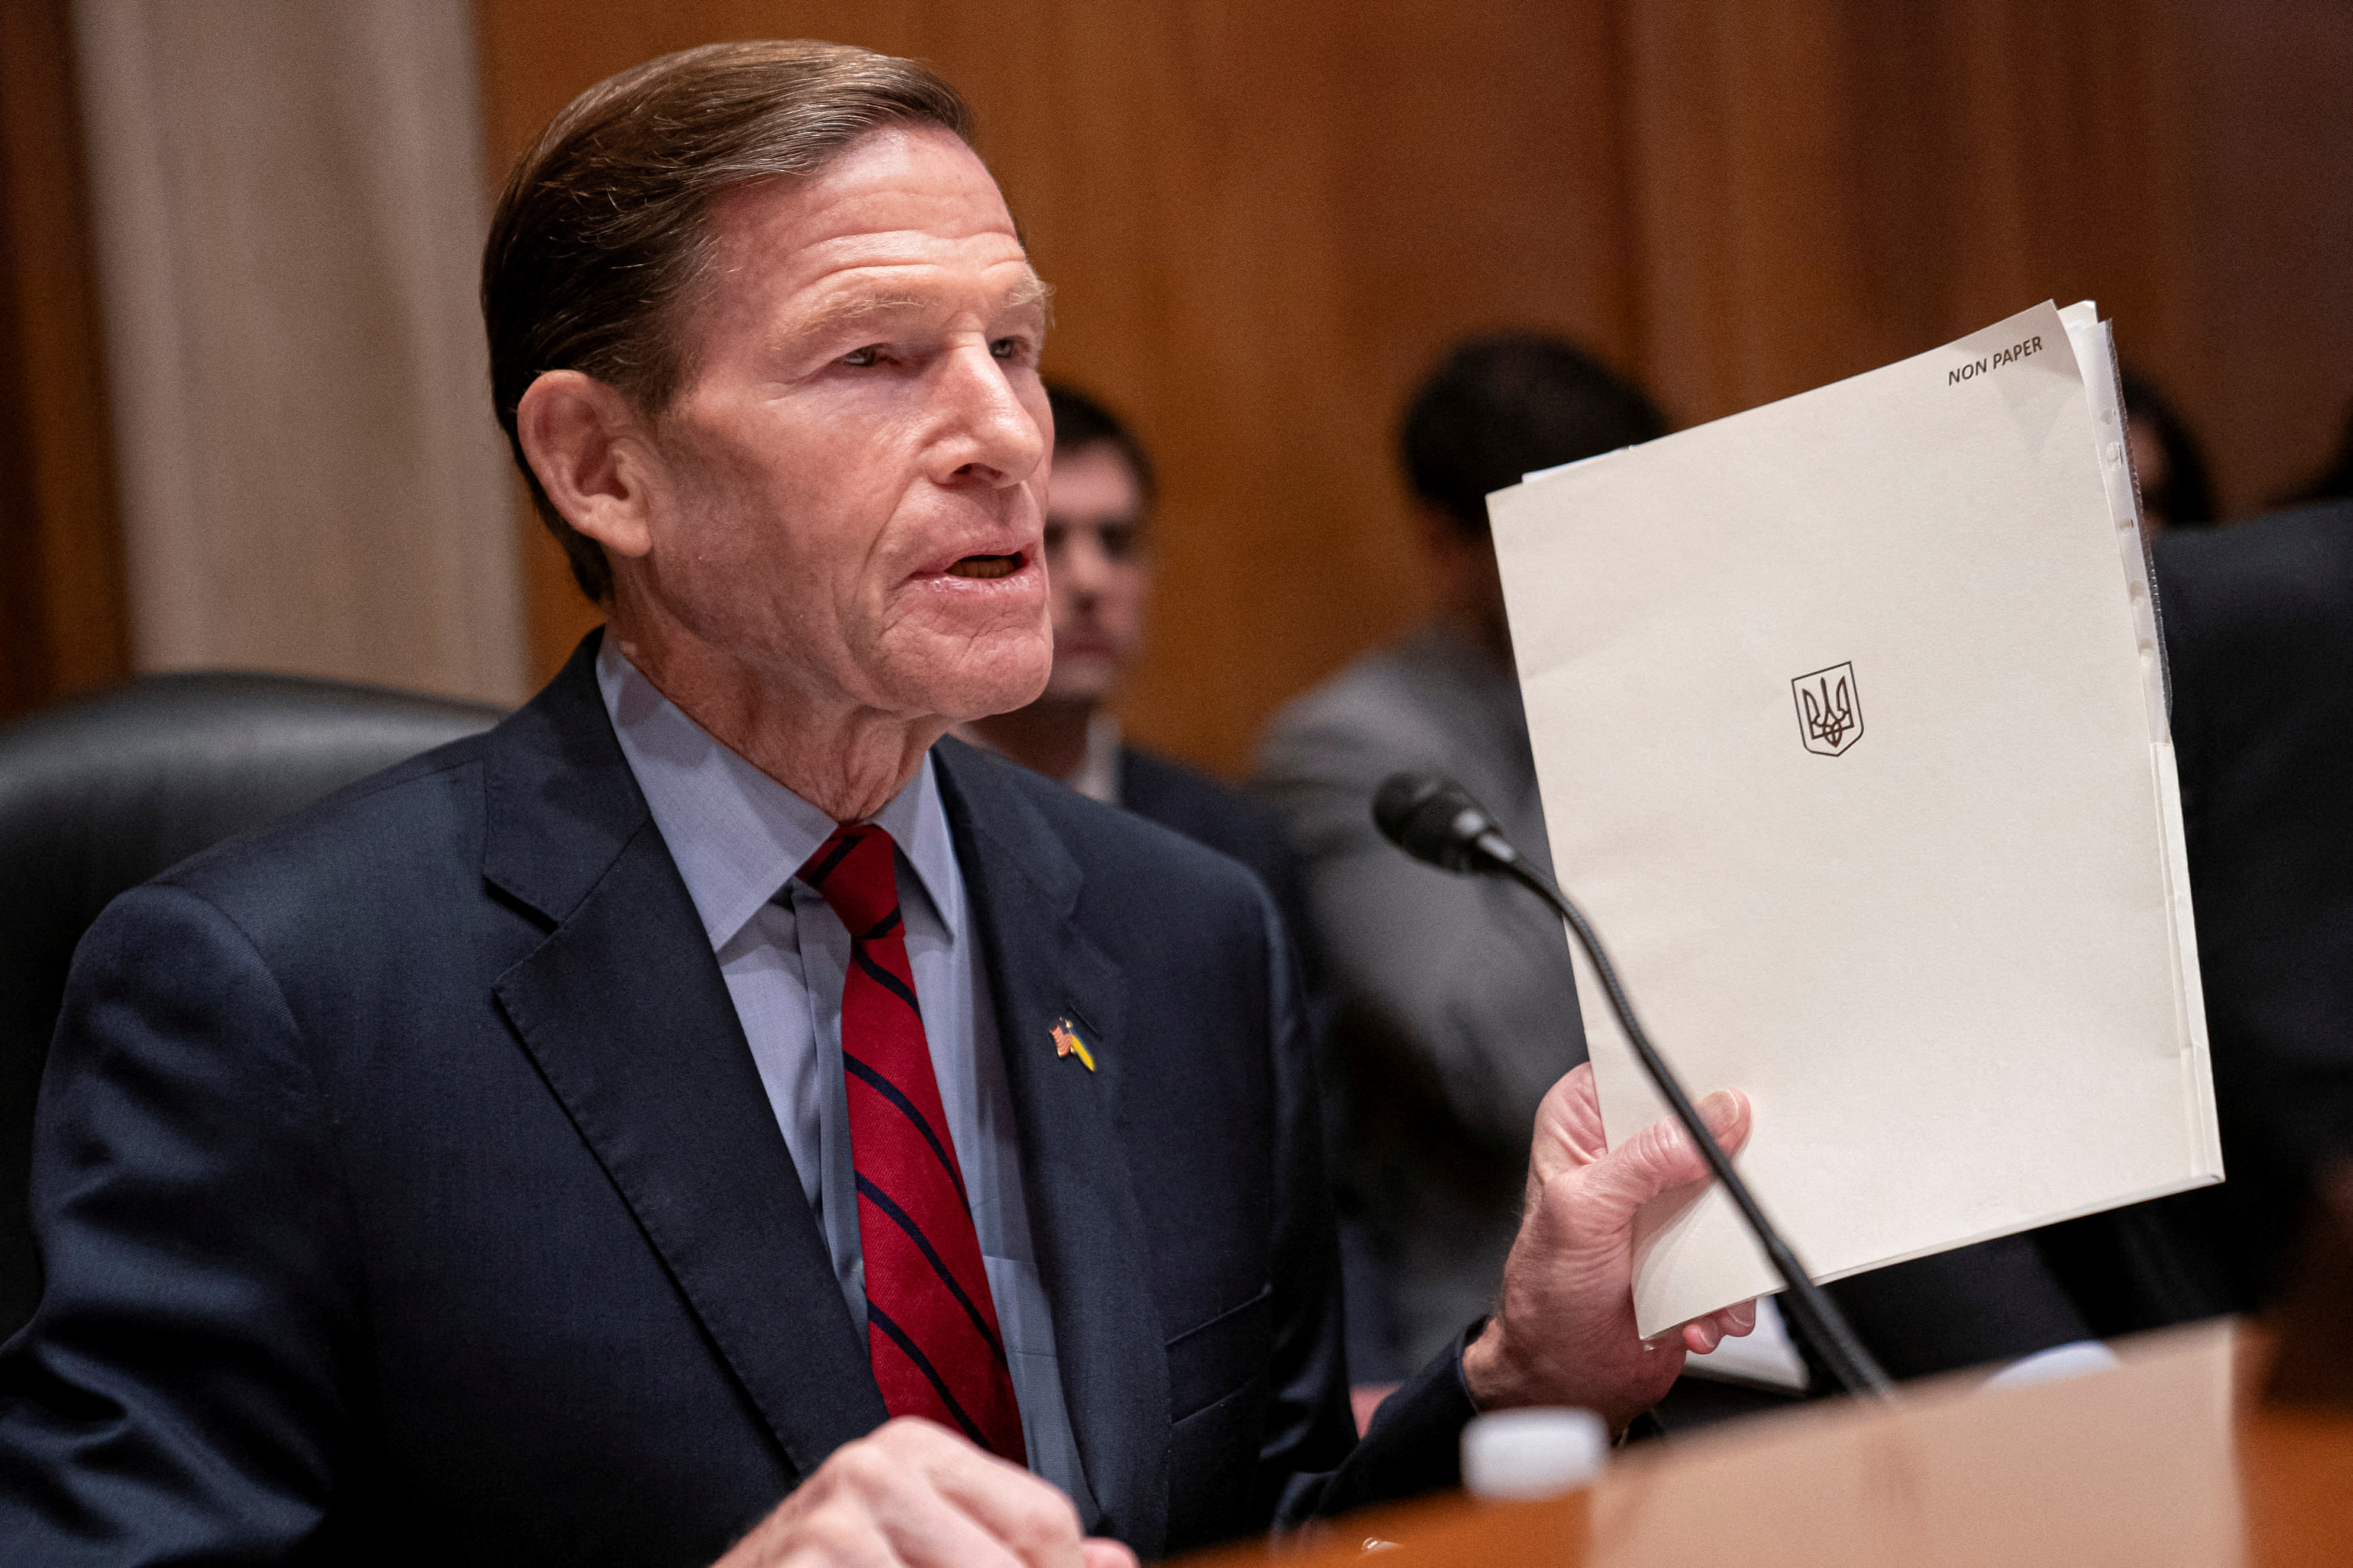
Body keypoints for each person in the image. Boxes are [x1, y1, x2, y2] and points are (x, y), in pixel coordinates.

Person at [0, 43, 1756, 1566]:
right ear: (600, 465)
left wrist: (1522, 1379)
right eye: (874, 359)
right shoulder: (278, 997)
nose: (1004, 432)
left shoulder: (1181, 924)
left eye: (1012, 341)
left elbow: (1261, 1523)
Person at [1259, 334, 2096, 1391]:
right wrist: (1623, 720)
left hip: (1837, 1266)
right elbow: (1493, 1061)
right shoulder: (1350, 749)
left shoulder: (1733, 670)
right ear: (1445, 544)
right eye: (1556, 535)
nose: (1614, 558)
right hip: (1551, 1332)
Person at [959, 387, 1402, 1387]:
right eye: (1047, 539)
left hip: (1229, 1377)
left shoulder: (1229, 848)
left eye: (1116, 542)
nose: (1087, 580)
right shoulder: (893, 835)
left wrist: (1362, 1378)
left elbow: (1320, 1176)